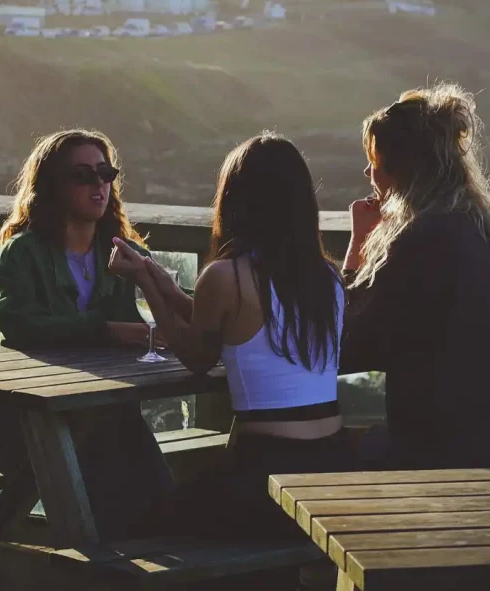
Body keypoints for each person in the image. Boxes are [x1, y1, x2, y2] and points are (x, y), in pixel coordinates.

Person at [109, 132, 353, 543]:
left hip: (267, 474)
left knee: (138, 530)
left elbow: (197, 356)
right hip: (332, 463)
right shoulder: (326, 277)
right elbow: (242, 329)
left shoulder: (228, 275)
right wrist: (164, 285)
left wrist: (142, 282)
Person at [0, 129, 173, 540]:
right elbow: (15, 320)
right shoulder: (22, 254)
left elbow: (172, 298)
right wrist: (106, 330)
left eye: (105, 173)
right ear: (51, 187)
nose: (98, 184)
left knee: (152, 499)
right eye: (82, 176)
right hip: (22, 419)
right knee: (119, 494)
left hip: (104, 416)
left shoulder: (121, 251)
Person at [341, 83, 490, 470]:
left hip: (455, 458)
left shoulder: (422, 239)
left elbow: (353, 338)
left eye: (374, 161)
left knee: (314, 453)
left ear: (399, 170)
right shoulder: (476, 226)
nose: (367, 172)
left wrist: (358, 242)